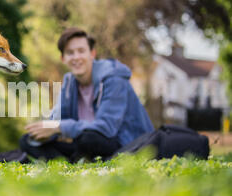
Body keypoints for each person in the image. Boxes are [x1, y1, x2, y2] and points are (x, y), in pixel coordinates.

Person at [20, 27, 154, 162]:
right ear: (63, 58)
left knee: (88, 139)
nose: (76, 57)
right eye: (70, 53)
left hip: (126, 143)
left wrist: (59, 127)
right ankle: (74, 163)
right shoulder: (69, 83)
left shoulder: (113, 78)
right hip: (88, 143)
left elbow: (106, 127)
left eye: (81, 51)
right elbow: (59, 120)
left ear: (92, 54)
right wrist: (46, 131)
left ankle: (76, 161)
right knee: (28, 141)